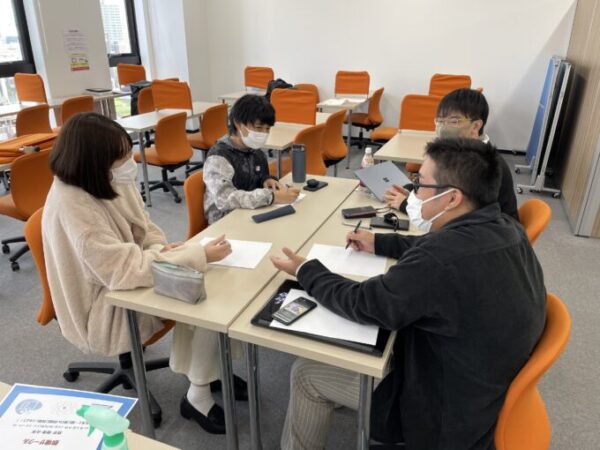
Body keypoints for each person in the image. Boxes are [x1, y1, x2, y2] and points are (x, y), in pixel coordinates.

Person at [271, 138, 546, 450]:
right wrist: (380, 243)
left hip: (443, 411)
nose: (413, 192)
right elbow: (434, 249)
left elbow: (365, 303)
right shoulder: (505, 227)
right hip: (483, 387)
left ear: (452, 198)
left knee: (305, 373)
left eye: (421, 184)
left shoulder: (440, 260)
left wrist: (306, 270)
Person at [43, 113, 240, 435]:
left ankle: (208, 370)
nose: (129, 162)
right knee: (206, 296)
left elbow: (145, 226)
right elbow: (120, 271)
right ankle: (198, 394)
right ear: (95, 160)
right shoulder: (73, 204)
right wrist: (192, 256)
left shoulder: (102, 177)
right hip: (104, 304)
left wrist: (163, 250)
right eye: (121, 157)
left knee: (216, 278)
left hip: (123, 277)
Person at [385, 88, 519, 220]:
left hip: (489, 229)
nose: (443, 128)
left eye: (454, 121)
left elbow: (450, 213)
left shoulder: (482, 164)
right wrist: (410, 191)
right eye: (440, 121)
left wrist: (405, 204)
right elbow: (438, 186)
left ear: (476, 126)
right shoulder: (460, 152)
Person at [203, 94, 300, 224]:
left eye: (267, 129)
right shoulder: (219, 156)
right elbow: (225, 199)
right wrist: (272, 197)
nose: (264, 133)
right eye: (258, 127)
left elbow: (257, 177)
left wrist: (267, 180)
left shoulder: (255, 151)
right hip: (225, 221)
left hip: (252, 212)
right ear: (238, 124)